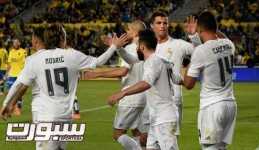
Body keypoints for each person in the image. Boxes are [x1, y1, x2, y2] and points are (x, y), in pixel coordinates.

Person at [0, 24, 129, 150]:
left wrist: (7, 103)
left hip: (45, 115)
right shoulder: (72, 55)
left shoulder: (34, 59)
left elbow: (19, 85)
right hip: (66, 115)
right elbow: (99, 61)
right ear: (62, 39)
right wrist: (114, 46)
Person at [175, 11, 237, 150]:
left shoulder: (200, 51)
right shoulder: (229, 44)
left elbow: (189, 84)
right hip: (230, 105)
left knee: (209, 147)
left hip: (212, 107)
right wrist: (195, 36)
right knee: (221, 147)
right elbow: (215, 41)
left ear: (199, 29)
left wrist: (181, 72)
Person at [108, 29, 179, 150]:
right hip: (157, 118)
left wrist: (123, 93)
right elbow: (179, 79)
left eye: (137, 46)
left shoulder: (152, 62)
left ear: (142, 47)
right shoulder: (163, 61)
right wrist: (118, 48)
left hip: (164, 118)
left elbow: (146, 83)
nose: (136, 49)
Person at [84, 20, 149, 150]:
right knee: (137, 132)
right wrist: (115, 47)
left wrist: (97, 74)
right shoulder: (146, 47)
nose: (127, 32)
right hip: (143, 96)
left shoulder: (131, 47)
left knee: (118, 134)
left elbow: (123, 71)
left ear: (136, 32)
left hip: (130, 97)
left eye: (129, 30)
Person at [6, 38, 27, 115]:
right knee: (10, 92)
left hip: (19, 75)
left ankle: (19, 107)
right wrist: (6, 74)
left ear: (19, 43)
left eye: (16, 42)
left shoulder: (23, 52)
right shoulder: (11, 52)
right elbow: (9, 63)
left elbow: (25, 63)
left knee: (19, 92)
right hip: (11, 75)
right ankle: (12, 108)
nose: (15, 44)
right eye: (14, 42)